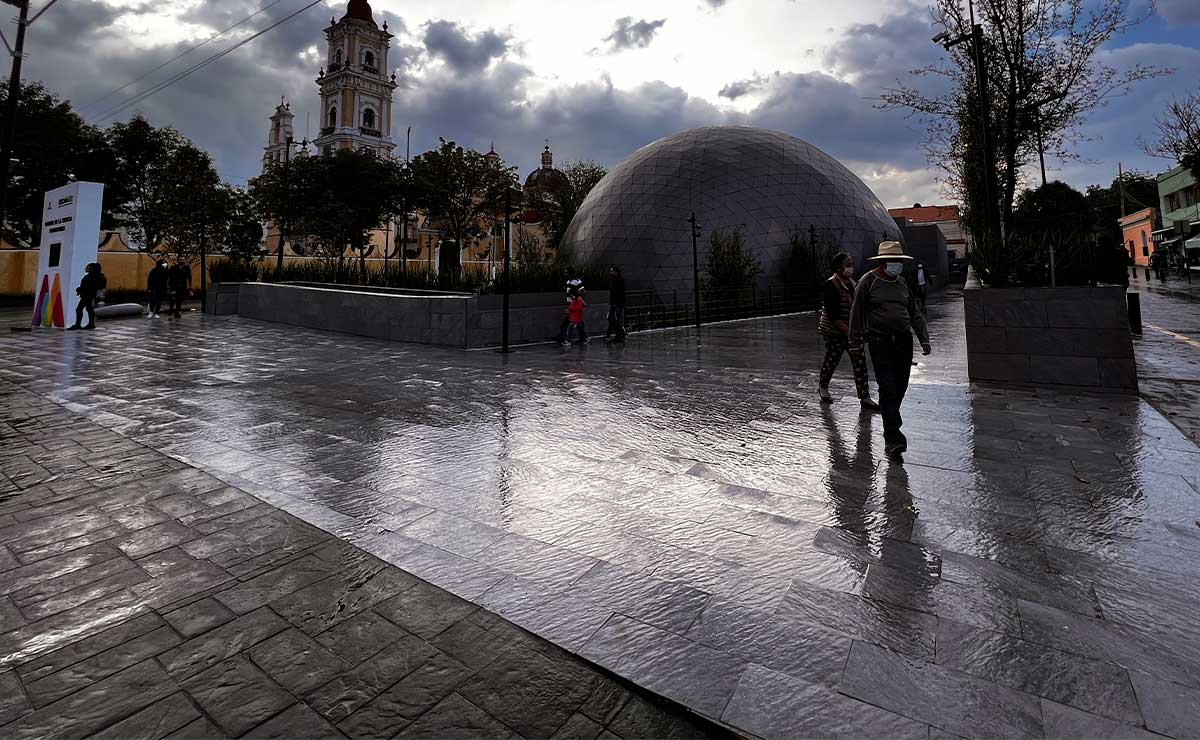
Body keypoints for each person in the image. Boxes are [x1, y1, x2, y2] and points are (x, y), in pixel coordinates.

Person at [849, 241, 931, 457]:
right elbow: (856, 314)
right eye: (893, 260)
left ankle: (891, 425)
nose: (897, 264)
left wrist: (924, 338)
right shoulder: (868, 282)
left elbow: (914, 312)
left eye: (899, 261)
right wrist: (854, 343)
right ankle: (893, 437)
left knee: (900, 386)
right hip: (880, 341)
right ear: (883, 261)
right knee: (887, 387)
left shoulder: (902, 283)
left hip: (903, 341)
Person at [818, 252, 878, 411]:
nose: (851, 267)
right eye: (848, 264)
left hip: (852, 331)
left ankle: (865, 397)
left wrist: (859, 330)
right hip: (834, 332)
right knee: (832, 360)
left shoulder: (853, 284)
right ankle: (823, 388)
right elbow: (833, 316)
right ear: (838, 267)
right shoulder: (831, 285)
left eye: (851, 264)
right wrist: (850, 332)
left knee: (860, 363)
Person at [67, 263, 106, 331]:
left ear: (92, 268)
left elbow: (90, 287)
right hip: (86, 295)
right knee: (86, 309)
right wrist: (80, 290)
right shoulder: (90, 276)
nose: (86, 268)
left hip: (88, 295)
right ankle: (87, 324)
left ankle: (84, 324)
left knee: (82, 309)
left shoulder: (92, 277)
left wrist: (81, 290)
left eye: (88, 267)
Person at [556, 268, 586, 343]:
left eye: (566, 273)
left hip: (575, 304)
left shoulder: (577, 281)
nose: (565, 274)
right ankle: (583, 337)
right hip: (570, 303)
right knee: (578, 321)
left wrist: (579, 300)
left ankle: (563, 337)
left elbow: (583, 292)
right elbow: (568, 291)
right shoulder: (568, 281)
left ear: (570, 273)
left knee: (569, 321)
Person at [604, 265, 627, 342]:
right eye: (610, 271)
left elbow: (620, 293)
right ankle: (621, 333)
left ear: (616, 272)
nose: (610, 272)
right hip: (613, 303)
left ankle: (616, 335)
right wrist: (611, 301)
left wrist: (617, 303)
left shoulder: (620, 280)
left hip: (618, 303)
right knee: (610, 318)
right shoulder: (612, 280)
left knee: (616, 319)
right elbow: (612, 293)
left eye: (612, 271)